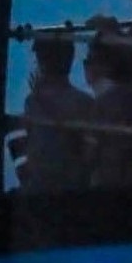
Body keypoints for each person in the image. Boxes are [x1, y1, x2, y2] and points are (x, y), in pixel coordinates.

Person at [17, 32, 101, 194]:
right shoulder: (86, 103)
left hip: (52, 195)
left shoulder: (34, 103)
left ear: (43, 64)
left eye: (40, 59)